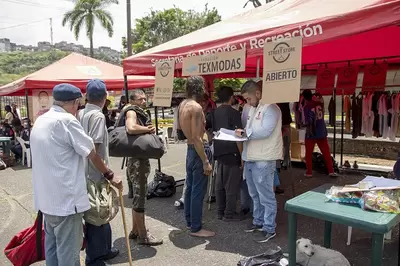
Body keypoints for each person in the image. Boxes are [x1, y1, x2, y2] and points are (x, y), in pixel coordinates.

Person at [30, 83, 122, 266]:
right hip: (65, 201)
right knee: (68, 254)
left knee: (53, 249)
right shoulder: (66, 121)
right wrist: (110, 175)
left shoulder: (41, 119)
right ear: (73, 103)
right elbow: (91, 152)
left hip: (46, 200)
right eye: (77, 104)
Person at [78, 79, 120, 265]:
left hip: (86, 172)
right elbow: (93, 151)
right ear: (104, 97)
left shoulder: (80, 113)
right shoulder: (97, 116)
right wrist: (108, 173)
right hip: (95, 174)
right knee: (97, 217)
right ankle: (95, 258)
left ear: (87, 96)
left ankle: (105, 249)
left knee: (103, 214)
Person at [235, 80, 282, 243]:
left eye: (248, 99)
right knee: (254, 194)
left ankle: (269, 228)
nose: (247, 103)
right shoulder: (254, 108)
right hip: (251, 158)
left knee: (266, 196)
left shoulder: (271, 108)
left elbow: (265, 131)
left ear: (257, 93)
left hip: (264, 158)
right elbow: (254, 131)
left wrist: (245, 133)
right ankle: (259, 221)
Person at [178, 76, 215, 238]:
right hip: (198, 149)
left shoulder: (183, 105)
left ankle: (190, 222)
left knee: (191, 187)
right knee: (198, 190)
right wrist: (205, 161)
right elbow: (197, 137)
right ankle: (196, 227)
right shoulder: (196, 108)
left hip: (190, 150)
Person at [125, 89, 163, 246]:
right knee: (140, 197)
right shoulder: (132, 111)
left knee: (136, 195)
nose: (143, 101)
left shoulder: (134, 110)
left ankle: (135, 230)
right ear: (132, 100)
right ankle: (143, 235)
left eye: (144, 99)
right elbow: (131, 128)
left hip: (136, 158)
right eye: (140, 99)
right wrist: (147, 129)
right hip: (137, 161)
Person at [211, 86, 243, 221]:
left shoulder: (213, 113)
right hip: (232, 152)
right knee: (231, 185)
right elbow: (238, 137)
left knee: (220, 184)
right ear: (231, 97)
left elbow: (210, 132)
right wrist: (242, 156)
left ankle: (220, 211)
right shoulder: (235, 114)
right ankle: (229, 214)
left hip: (219, 151)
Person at [302, 89, 337, 178]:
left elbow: (308, 121)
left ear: (304, 97)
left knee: (308, 154)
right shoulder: (319, 104)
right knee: (326, 152)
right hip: (321, 131)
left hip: (311, 133)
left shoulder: (307, 107)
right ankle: (331, 171)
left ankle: (309, 172)